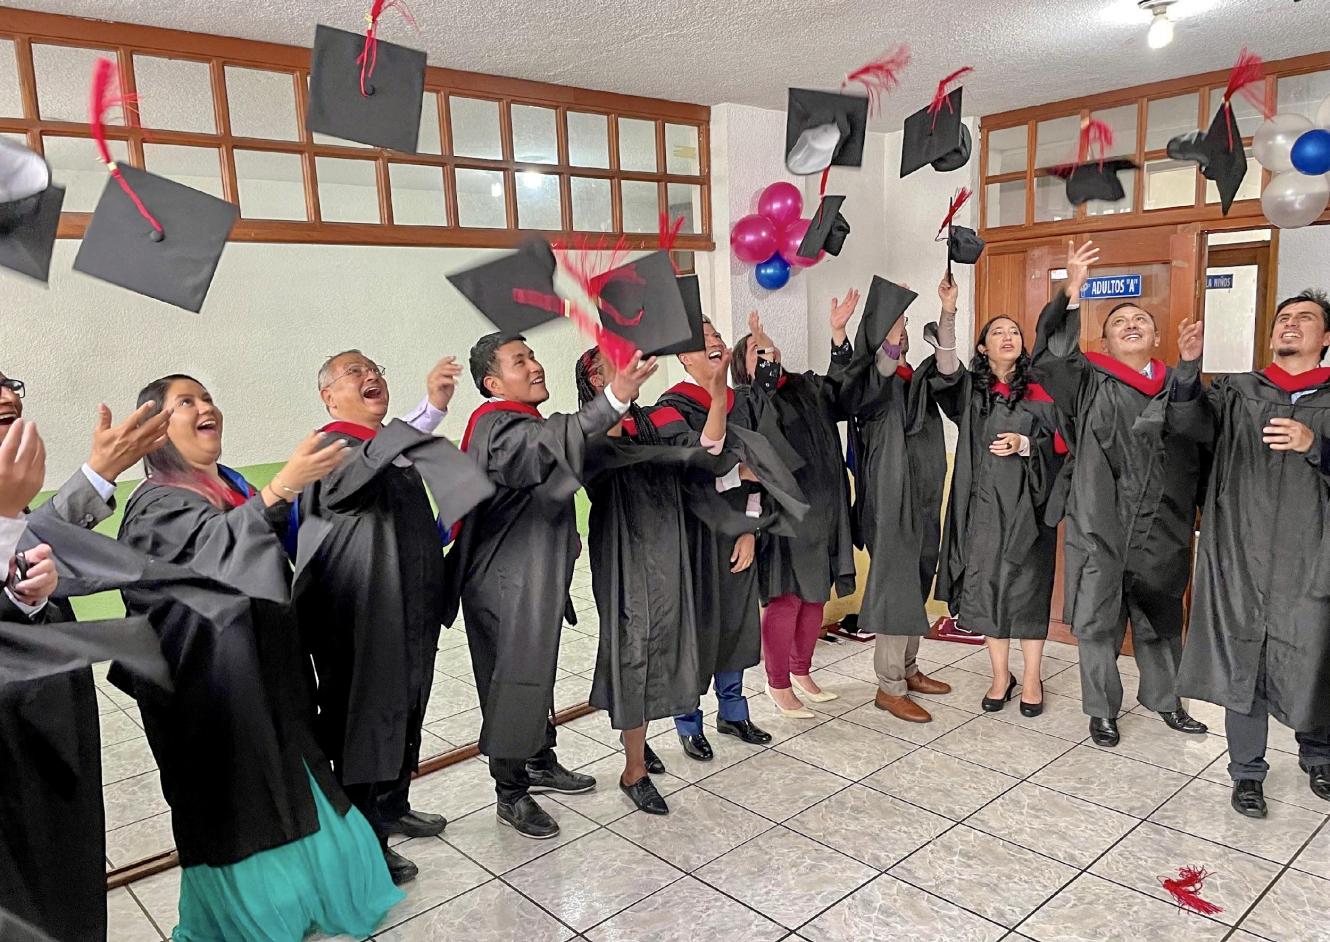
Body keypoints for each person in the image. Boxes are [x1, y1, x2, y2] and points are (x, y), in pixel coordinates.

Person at [118, 374, 403, 942]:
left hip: (266, 680)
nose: (206, 407)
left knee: (295, 787)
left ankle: (309, 896)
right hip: (212, 693)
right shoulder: (155, 504)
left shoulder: (225, 488)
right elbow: (215, 552)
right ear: (155, 432)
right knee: (243, 808)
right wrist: (280, 491)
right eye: (186, 403)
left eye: (207, 397)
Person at [444, 333, 656, 839]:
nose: (535, 366)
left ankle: (539, 759)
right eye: (520, 361)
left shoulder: (522, 420)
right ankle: (510, 792)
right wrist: (614, 397)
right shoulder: (497, 425)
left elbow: (546, 474)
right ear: (493, 383)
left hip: (530, 574)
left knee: (534, 673)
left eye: (533, 356)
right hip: (503, 581)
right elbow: (543, 448)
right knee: (511, 682)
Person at [292, 351, 491, 884]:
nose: (371, 376)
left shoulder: (388, 450)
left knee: (406, 712)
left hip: (411, 609)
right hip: (363, 618)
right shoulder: (328, 448)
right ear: (329, 397)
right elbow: (352, 483)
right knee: (366, 727)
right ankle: (365, 843)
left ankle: (393, 805)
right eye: (355, 372)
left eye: (375, 368)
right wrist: (428, 412)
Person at [0, 372, 169, 942]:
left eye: (9, 387)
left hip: (52, 708)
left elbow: (37, 549)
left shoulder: (11, 500)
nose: (7, 395)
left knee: (68, 858)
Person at [1029, 240, 1207, 747]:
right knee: (1097, 622)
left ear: (1156, 337)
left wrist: (1190, 367)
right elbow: (1053, 357)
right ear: (1104, 340)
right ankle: (1102, 710)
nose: (1131, 324)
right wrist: (1071, 291)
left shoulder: (1179, 384)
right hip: (1099, 523)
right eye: (1120, 322)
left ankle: (1167, 701)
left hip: (1161, 524)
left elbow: (1197, 435)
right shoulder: (1088, 380)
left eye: (1141, 320)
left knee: (1161, 618)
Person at [1173, 290, 1330, 818]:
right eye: (1283, 318)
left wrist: (1316, 445)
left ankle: (1319, 755)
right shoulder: (1238, 391)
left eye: (1304, 318)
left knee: (1316, 651)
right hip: (1240, 552)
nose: (1290, 324)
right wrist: (1189, 369)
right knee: (1244, 656)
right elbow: (1190, 428)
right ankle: (1246, 772)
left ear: (1326, 338)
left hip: (1314, 555)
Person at [574, 346, 736, 813]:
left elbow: (707, 452)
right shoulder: (586, 425)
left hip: (667, 541)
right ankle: (634, 771)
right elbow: (602, 455)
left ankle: (638, 740)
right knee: (633, 648)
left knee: (663, 641)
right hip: (623, 546)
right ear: (595, 376)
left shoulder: (660, 417)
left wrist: (718, 395)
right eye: (614, 360)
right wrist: (618, 395)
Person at [922, 274, 1066, 715]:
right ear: (983, 347)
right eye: (997, 332)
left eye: (1014, 332)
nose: (1008, 337)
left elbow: (1062, 442)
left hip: (1029, 508)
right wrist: (949, 310)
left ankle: (1033, 677)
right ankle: (1001, 675)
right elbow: (946, 366)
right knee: (988, 591)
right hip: (982, 510)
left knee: (1028, 591)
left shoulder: (1042, 390)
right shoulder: (972, 392)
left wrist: (1026, 445)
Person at [728, 296, 858, 717]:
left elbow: (843, 390)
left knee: (816, 595)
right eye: (757, 351)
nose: (768, 353)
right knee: (786, 598)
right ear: (743, 367)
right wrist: (761, 355)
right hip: (783, 516)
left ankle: (802, 670)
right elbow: (759, 425)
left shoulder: (805, 386)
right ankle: (778, 682)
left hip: (825, 510)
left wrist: (838, 334)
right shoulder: (748, 401)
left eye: (770, 347)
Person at [651, 318, 775, 757]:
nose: (716, 343)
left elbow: (761, 472)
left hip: (737, 533)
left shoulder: (743, 404)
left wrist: (750, 529)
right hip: (694, 538)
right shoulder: (667, 409)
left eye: (717, 336)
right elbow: (691, 474)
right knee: (696, 629)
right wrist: (736, 474)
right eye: (703, 341)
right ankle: (688, 723)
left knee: (736, 624)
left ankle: (733, 713)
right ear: (684, 356)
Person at [836, 279, 954, 723]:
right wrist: (889, 324)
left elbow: (946, 366)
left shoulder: (916, 379)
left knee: (919, 574)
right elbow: (880, 367)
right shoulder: (871, 384)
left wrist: (944, 312)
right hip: (889, 501)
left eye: (903, 329)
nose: (900, 335)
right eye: (890, 329)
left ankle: (908, 668)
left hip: (924, 496)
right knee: (895, 585)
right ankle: (889, 687)